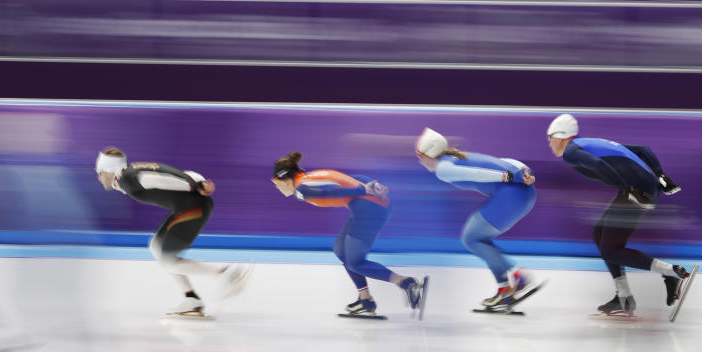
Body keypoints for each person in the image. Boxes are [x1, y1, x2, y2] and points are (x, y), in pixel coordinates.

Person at [546, 114, 686, 317]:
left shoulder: (571, 151)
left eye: (549, 138)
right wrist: (660, 175)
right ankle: (623, 296)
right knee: (599, 234)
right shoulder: (588, 143)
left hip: (637, 191)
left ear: (560, 137)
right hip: (641, 188)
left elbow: (598, 166)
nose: (549, 144)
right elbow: (643, 149)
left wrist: (627, 187)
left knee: (610, 250)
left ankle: (671, 273)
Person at [95, 147, 249, 317]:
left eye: (99, 172)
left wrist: (195, 185)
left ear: (109, 170)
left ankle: (229, 274)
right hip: (188, 207)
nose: (98, 177)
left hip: (194, 208)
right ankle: (192, 299)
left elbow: (160, 179)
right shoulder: (130, 172)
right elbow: (175, 173)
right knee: (156, 246)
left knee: (168, 261)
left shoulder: (128, 179)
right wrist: (198, 181)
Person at [271, 151, 426, 318]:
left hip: (369, 210)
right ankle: (364, 298)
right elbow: (350, 178)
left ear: (284, 179)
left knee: (355, 263)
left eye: (276, 183)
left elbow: (328, 192)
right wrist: (371, 186)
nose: (277, 188)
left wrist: (363, 190)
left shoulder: (301, 189)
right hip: (367, 208)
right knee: (340, 250)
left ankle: (405, 282)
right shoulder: (310, 178)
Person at [415, 128, 542, 311]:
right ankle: (504, 289)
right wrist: (523, 170)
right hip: (525, 193)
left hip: (512, 194)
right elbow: (502, 161)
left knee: (471, 238)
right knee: (479, 238)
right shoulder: (457, 157)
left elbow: (475, 174)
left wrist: (509, 176)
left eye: (420, 155)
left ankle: (517, 274)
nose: (420, 160)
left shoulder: (443, 168)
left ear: (430, 153)